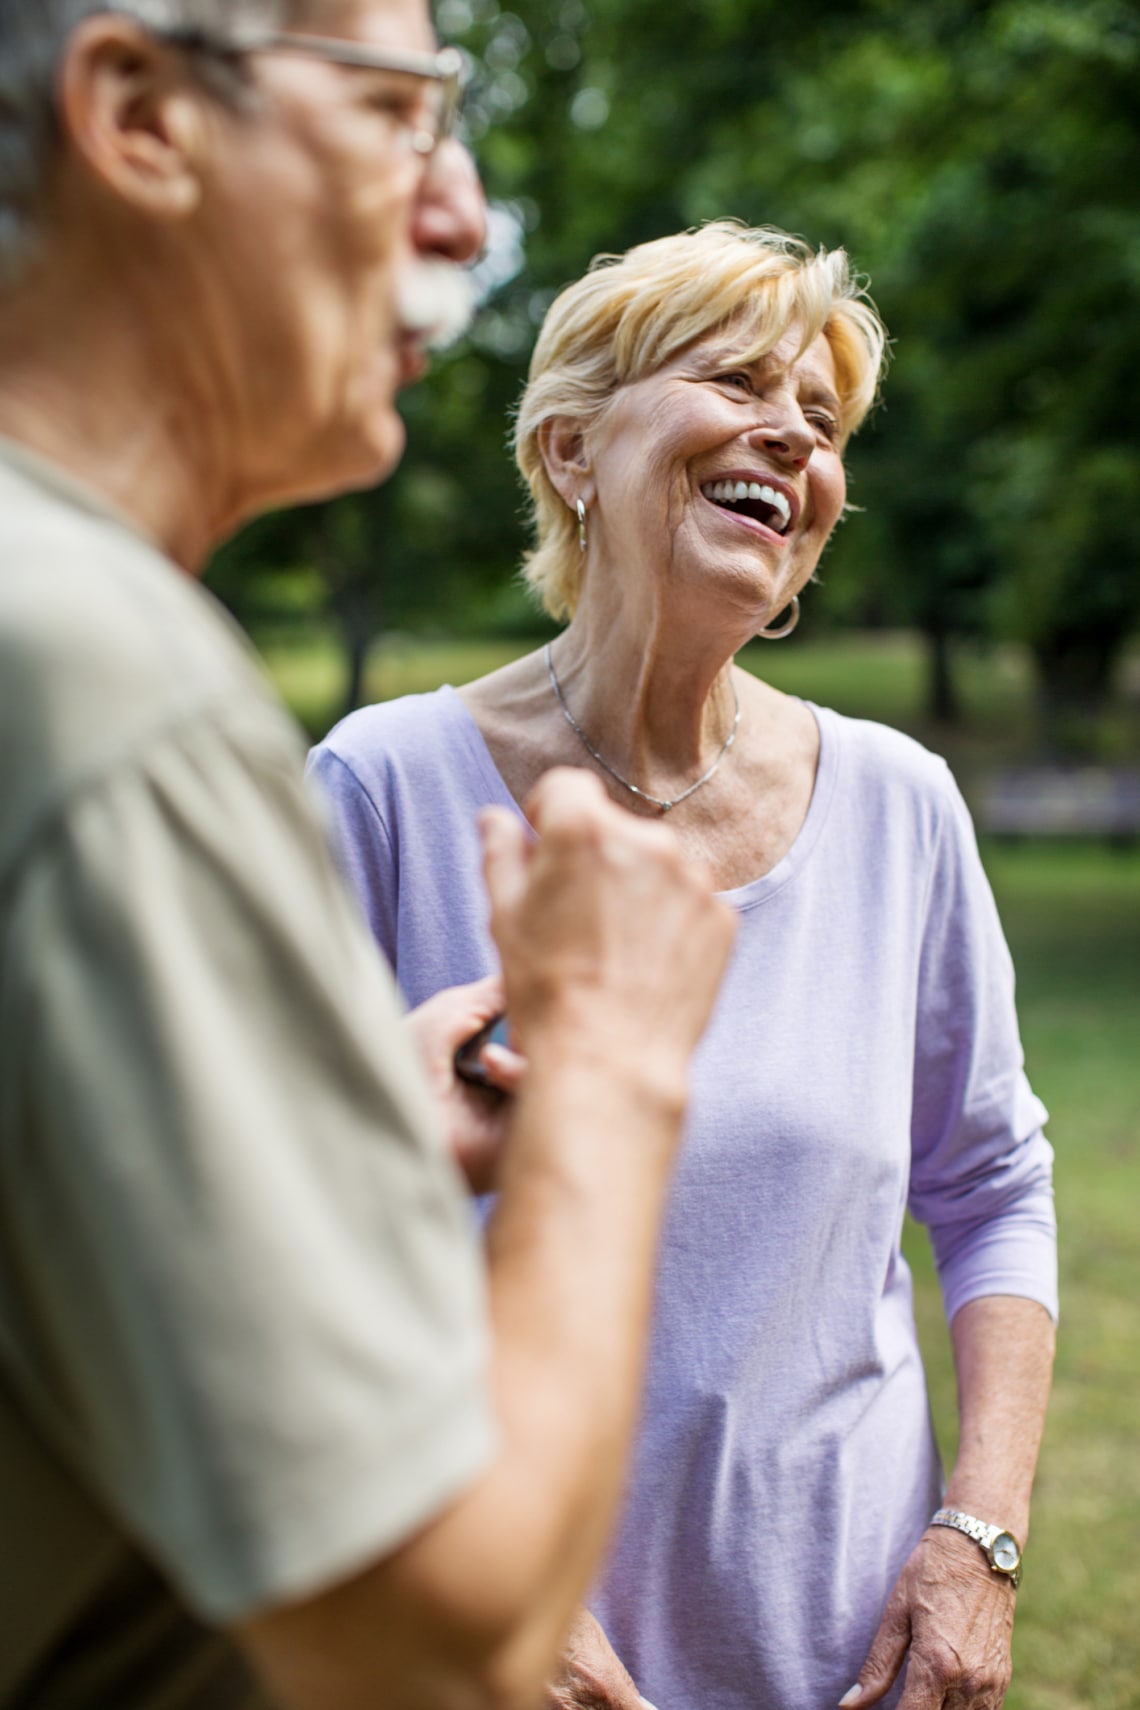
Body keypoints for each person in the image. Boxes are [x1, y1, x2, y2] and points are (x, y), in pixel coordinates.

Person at [0, 5, 737, 1708]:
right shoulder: (105, 683)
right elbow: (435, 1632)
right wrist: (613, 1061)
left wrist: (340, 1143)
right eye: (403, 113)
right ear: (141, 115)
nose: (465, 216)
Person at [309, 221, 1059, 1710]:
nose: (792, 434)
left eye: (822, 418)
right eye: (734, 379)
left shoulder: (900, 805)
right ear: (572, 449)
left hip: (847, 1659)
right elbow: (271, 1242)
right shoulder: (380, 790)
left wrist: (979, 1539)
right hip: (480, 1641)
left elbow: (993, 1190)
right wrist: (482, 1589)